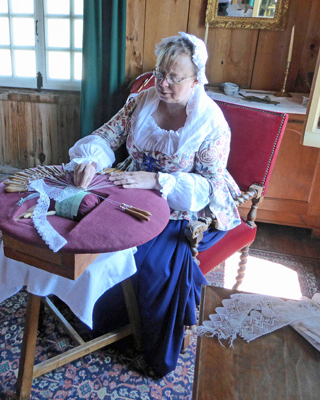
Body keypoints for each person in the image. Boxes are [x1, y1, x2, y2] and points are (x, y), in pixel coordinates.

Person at [66, 32, 241, 376]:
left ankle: (146, 342)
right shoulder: (140, 102)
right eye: (160, 73)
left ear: (195, 80)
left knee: (149, 265)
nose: (163, 84)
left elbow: (208, 186)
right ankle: (101, 324)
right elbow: (106, 136)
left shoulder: (211, 123)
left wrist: (159, 181)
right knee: (90, 237)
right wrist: (91, 160)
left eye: (174, 77)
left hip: (186, 204)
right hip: (131, 189)